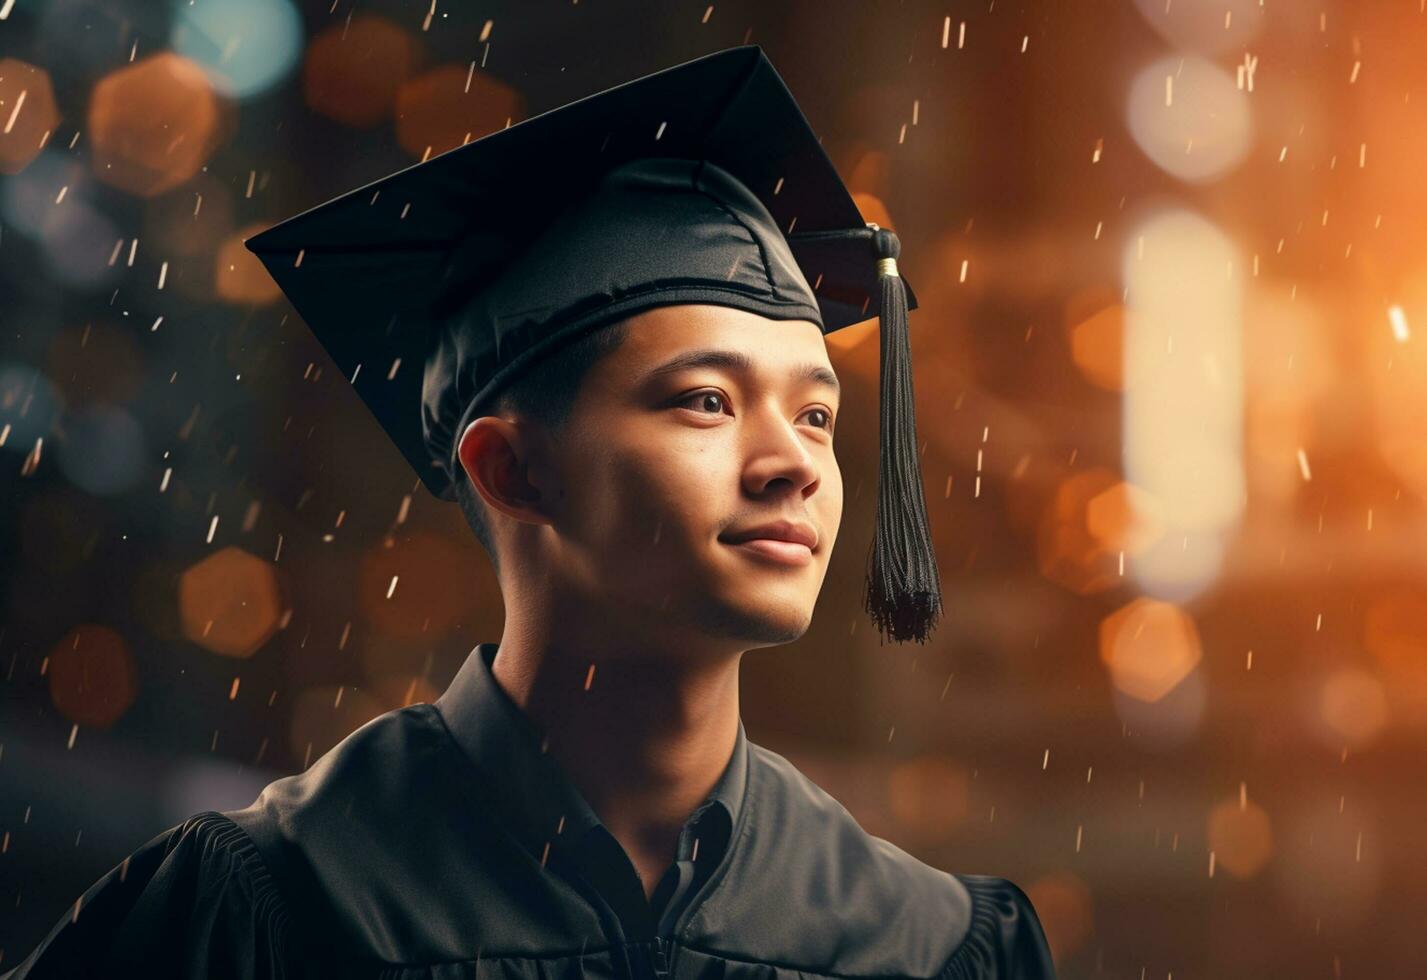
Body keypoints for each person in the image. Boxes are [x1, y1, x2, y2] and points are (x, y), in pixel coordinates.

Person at [2, 45, 1057, 979]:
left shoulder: (923, 940)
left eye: (817, 413)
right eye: (705, 400)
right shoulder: (270, 906)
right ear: (510, 469)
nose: (794, 463)